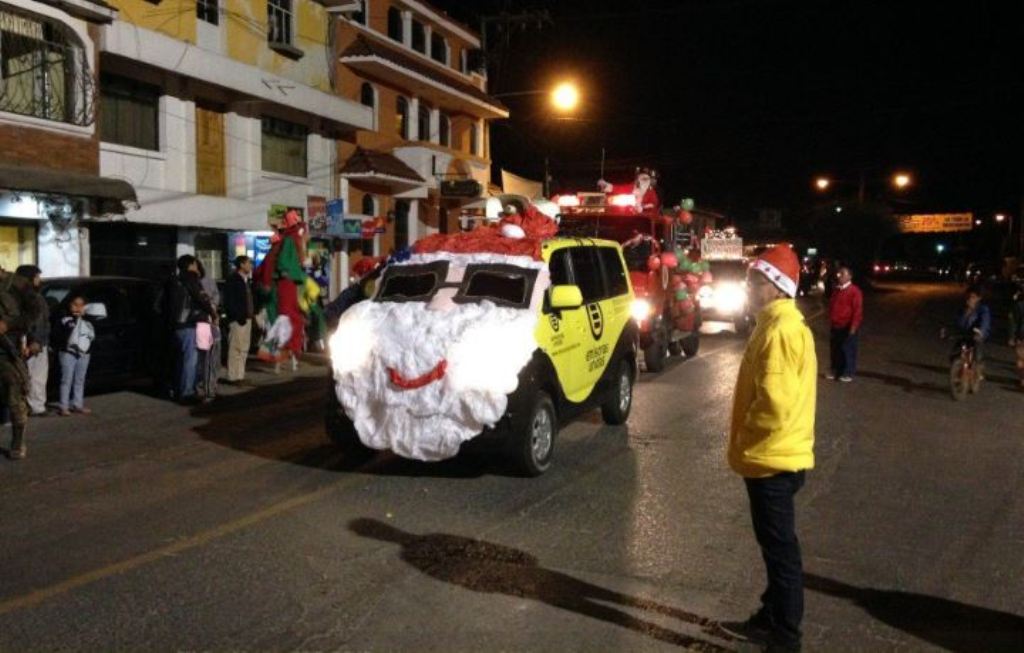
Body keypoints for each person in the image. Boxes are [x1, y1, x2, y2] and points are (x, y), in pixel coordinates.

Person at [721, 244, 817, 653]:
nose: (748, 287)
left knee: (781, 552)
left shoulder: (778, 331)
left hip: (772, 458)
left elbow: (774, 404)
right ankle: (771, 616)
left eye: (754, 281)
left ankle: (785, 636)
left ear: (776, 287)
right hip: (783, 455)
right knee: (775, 546)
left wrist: (744, 437)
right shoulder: (783, 324)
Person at [0, 265, 41, 459]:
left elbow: (35, 313)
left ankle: (17, 442)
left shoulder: (17, 284)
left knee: (15, 394)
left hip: (8, 349)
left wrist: (9, 325)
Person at [162, 255, 214, 404]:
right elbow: (201, 298)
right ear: (191, 265)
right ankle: (187, 392)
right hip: (190, 323)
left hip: (176, 325)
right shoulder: (191, 279)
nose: (197, 267)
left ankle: (178, 388)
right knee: (191, 359)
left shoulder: (173, 281)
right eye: (195, 264)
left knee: (181, 358)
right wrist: (213, 312)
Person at [14, 265, 50, 416]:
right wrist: (35, 342)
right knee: (36, 376)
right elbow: (38, 322)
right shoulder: (33, 298)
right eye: (37, 277)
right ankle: (36, 407)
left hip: (24, 342)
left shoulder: (15, 295)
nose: (39, 280)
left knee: (26, 376)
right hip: (33, 343)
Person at [54, 294, 95, 416]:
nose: (78, 308)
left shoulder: (88, 320)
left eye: (81, 305)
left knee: (80, 379)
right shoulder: (65, 320)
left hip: (84, 354)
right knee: (66, 379)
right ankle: (64, 406)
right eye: (75, 305)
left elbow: (91, 336)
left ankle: (78, 404)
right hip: (68, 353)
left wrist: (83, 317)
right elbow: (58, 336)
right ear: (70, 305)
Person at [827, 267, 863, 382]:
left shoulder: (854, 291)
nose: (839, 276)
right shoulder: (837, 290)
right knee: (835, 349)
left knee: (847, 349)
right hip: (836, 325)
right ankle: (836, 370)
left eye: (842, 274)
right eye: (839, 274)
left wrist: (853, 327)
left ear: (849, 277)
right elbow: (832, 305)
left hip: (847, 325)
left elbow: (857, 310)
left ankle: (848, 372)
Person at [224, 256, 255, 384]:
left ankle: (240, 375)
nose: (251, 265)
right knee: (235, 348)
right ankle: (232, 376)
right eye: (248, 263)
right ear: (241, 265)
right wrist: (237, 316)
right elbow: (230, 301)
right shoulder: (233, 280)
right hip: (238, 319)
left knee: (244, 348)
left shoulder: (246, 280)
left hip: (247, 318)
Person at [195, 260, 221, 402]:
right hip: (203, 324)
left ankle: (209, 388)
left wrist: (213, 308)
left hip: (208, 324)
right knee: (204, 359)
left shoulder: (206, 281)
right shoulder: (193, 283)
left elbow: (215, 298)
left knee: (209, 358)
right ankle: (205, 389)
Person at [954, 286, 991, 367]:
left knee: (978, 355)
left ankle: (979, 371)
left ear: (979, 298)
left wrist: (981, 332)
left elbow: (985, 321)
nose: (970, 299)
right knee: (955, 354)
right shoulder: (963, 309)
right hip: (965, 334)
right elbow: (959, 324)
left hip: (977, 335)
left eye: (973, 297)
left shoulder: (983, 309)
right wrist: (966, 313)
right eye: (968, 297)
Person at [1010, 284, 1024, 389]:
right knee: (1020, 360)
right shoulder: (1019, 306)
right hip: (1021, 335)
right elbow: (1013, 322)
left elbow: (1013, 322)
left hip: (1021, 335)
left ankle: (1022, 381)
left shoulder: (1018, 305)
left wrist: (1012, 336)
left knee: (1021, 360)